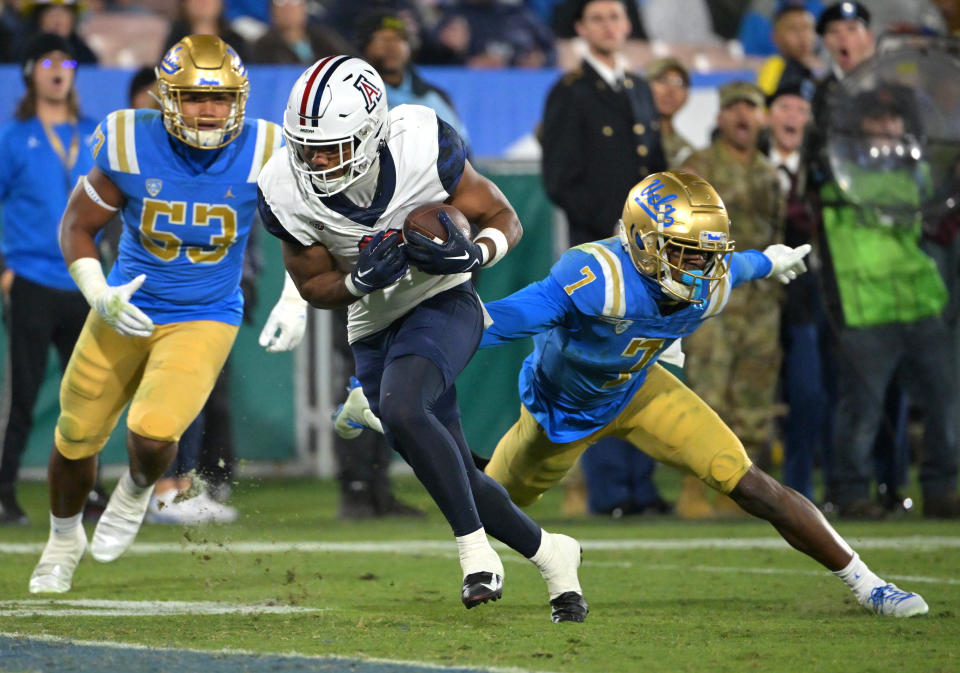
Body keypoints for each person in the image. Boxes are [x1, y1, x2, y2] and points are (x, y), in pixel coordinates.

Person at [478, 170, 929, 618]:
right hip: (559, 412)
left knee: (751, 483)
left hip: (640, 392)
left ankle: (870, 586)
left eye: (706, 254)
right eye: (683, 252)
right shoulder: (599, 278)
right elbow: (505, 319)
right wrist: (430, 325)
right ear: (641, 241)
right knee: (488, 501)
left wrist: (772, 260)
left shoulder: (711, 285)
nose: (700, 269)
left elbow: (743, 265)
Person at [257, 55, 586, 622]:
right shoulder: (284, 185)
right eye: (306, 146)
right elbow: (313, 282)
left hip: (444, 299)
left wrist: (474, 252)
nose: (315, 160)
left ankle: (475, 556)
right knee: (457, 470)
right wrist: (357, 280)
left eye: (331, 147)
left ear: (372, 131)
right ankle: (554, 556)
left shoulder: (421, 141)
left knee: (404, 408)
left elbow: (505, 216)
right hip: (371, 325)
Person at [28, 35, 307, 594]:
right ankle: (62, 539)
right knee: (74, 435)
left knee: (155, 434)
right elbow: (77, 226)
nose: (209, 112)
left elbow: (306, 229)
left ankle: (135, 491)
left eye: (221, 99)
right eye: (195, 98)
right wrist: (96, 290)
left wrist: (294, 298)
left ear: (240, 100)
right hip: (124, 306)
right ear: (167, 98)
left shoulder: (266, 149)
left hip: (205, 314)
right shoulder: (130, 140)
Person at [0, 33, 94, 526]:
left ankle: (85, 494)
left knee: (88, 394)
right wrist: (4, 270)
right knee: (24, 393)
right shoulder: (13, 138)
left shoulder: (95, 133)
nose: (58, 69)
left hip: (87, 281)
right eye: (48, 62)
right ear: (31, 73)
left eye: (67, 61)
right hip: (32, 278)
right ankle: (3, 491)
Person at [679, 80, 783, 519]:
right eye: (734, 108)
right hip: (712, 298)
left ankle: (741, 493)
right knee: (708, 392)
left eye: (752, 108)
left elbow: (775, 233)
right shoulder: (697, 166)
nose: (743, 116)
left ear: (761, 118)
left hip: (760, 302)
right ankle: (693, 490)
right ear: (719, 117)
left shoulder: (768, 171)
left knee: (755, 394)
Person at [541, 0, 666, 247]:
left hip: (649, 237)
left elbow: (655, 163)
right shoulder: (569, 92)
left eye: (615, 17)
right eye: (597, 19)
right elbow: (560, 181)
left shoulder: (640, 88)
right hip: (596, 242)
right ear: (581, 28)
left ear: (628, 25)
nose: (608, 26)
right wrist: (611, 222)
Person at [764, 79, 832, 502]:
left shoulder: (825, 169)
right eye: (785, 107)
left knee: (810, 390)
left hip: (809, 295)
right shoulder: (744, 162)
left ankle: (799, 485)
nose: (793, 117)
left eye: (801, 109)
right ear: (769, 116)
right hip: (752, 294)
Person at [357, 10, 468, 144]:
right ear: (364, 46)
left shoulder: (434, 97)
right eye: (383, 39)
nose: (392, 47)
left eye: (399, 39)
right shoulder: (354, 99)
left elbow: (462, 150)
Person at [249, 0, 353, 65]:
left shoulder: (324, 38)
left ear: (304, 8)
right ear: (272, 11)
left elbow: (350, 61)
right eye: (280, 2)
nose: (288, 9)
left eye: (295, 2)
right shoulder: (262, 47)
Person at [757, 2, 822, 95]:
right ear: (775, 37)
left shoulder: (826, 69)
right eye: (793, 29)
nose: (802, 35)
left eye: (806, 27)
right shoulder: (774, 68)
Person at [646, 57, 695, 168]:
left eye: (679, 83)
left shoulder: (687, 152)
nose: (670, 90)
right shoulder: (627, 137)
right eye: (662, 80)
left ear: (686, 96)